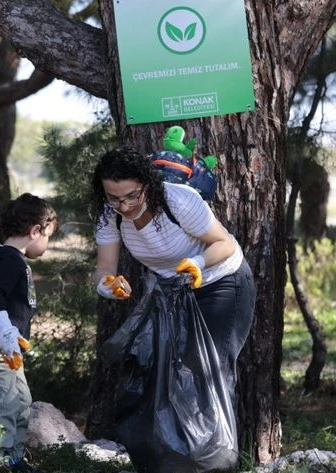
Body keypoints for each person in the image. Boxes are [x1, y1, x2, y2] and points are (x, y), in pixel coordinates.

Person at [91, 146, 256, 390]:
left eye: (132, 196)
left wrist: (197, 263)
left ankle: (217, 429)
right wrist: (107, 285)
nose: (124, 207)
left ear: (147, 184)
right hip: (175, 291)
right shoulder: (109, 214)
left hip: (221, 281)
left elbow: (225, 244)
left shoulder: (177, 201)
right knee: (171, 371)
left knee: (209, 370)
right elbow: (104, 267)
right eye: (114, 198)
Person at [0, 193, 57, 473]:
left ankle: (14, 456)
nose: (47, 244)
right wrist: (4, 329)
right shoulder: (9, 260)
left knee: (21, 402)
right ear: (35, 231)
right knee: (7, 403)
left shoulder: (11, 258)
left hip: (7, 354)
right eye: (48, 237)